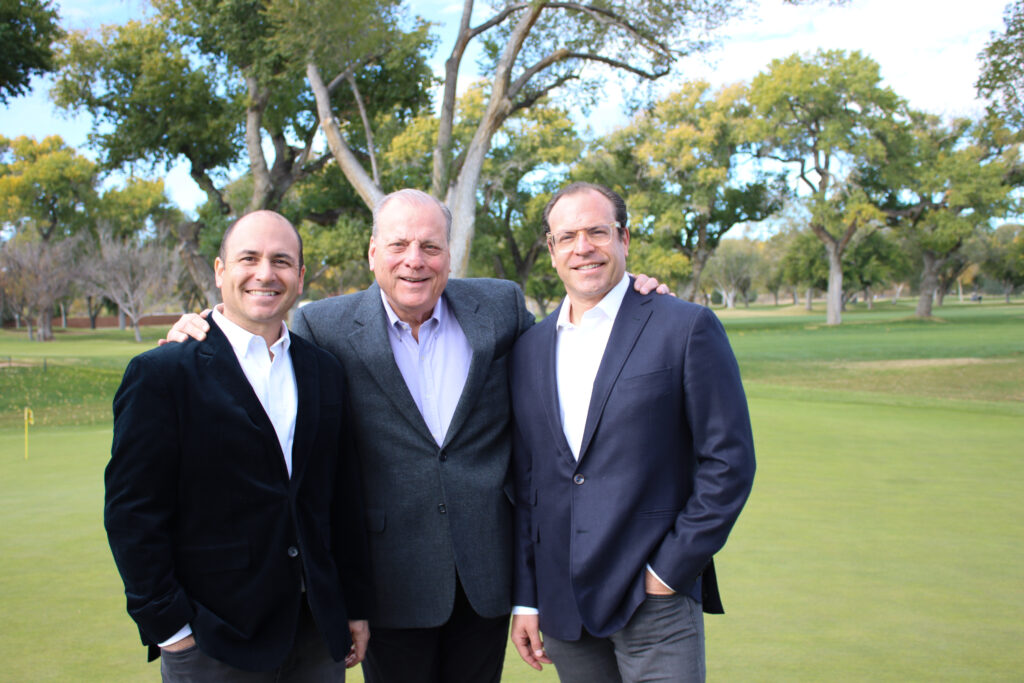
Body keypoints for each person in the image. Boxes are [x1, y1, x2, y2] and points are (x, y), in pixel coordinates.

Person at [164, 189, 668, 683]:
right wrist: (203, 325)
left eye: (430, 247)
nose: (415, 261)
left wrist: (628, 295)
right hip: (389, 581)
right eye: (399, 246)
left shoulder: (501, 307)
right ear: (372, 253)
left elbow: (571, 340)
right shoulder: (324, 326)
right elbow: (258, 342)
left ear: (450, 255)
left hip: (485, 576)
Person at [105, 210, 371, 681]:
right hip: (214, 642)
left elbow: (340, 502)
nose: (265, 273)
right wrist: (171, 630)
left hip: (315, 636)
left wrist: (352, 606)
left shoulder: (324, 371)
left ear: (301, 277)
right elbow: (132, 513)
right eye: (249, 258)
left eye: (282, 261)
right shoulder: (163, 374)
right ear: (220, 270)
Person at [508, 182, 756, 683]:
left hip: (654, 600)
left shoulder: (685, 327)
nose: (584, 247)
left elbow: (728, 462)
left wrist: (668, 571)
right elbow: (528, 484)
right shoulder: (528, 348)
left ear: (623, 238)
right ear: (552, 250)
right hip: (565, 609)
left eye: (597, 232)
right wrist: (527, 597)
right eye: (568, 236)